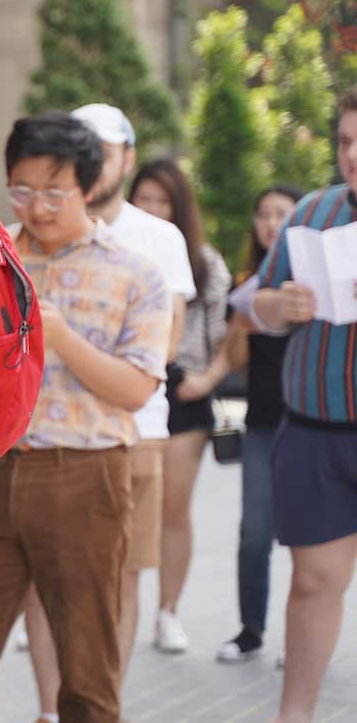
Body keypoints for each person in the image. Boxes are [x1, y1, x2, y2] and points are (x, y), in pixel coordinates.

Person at [0, 112, 171, 723]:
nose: (36, 207)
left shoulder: (136, 272)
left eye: (53, 193)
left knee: (88, 671)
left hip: (87, 478)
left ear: (90, 188)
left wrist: (56, 333)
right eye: (22, 190)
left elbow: (137, 389)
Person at [18, 104, 196, 722]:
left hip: (132, 437)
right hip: (32, 445)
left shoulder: (155, 240)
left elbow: (162, 345)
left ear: (122, 155)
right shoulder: (25, 239)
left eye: (108, 146)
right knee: (41, 590)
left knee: (113, 582)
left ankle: (98, 701)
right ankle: (48, 709)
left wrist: (73, 342)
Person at [253, 86, 357, 723]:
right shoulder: (312, 213)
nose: (353, 155)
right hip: (315, 432)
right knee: (314, 584)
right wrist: (278, 306)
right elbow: (255, 305)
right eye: (347, 141)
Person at [175, 184, 303, 662]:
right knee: (254, 533)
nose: (271, 223)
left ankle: (303, 638)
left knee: (310, 544)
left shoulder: (319, 285)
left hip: (315, 428)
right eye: (263, 214)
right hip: (265, 426)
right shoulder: (247, 284)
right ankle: (251, 629)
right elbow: (234, 357)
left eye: (282, 213)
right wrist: (242, 325)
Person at [129, 157, 232, 638]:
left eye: (162, 200)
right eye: (143, 198)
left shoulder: (204, 263)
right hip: (127, 381)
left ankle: (167, 611)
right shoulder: (114, 249)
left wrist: (208, 380)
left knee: (173, 503)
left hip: (185, 387)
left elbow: (230, 336)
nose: (151, 208)